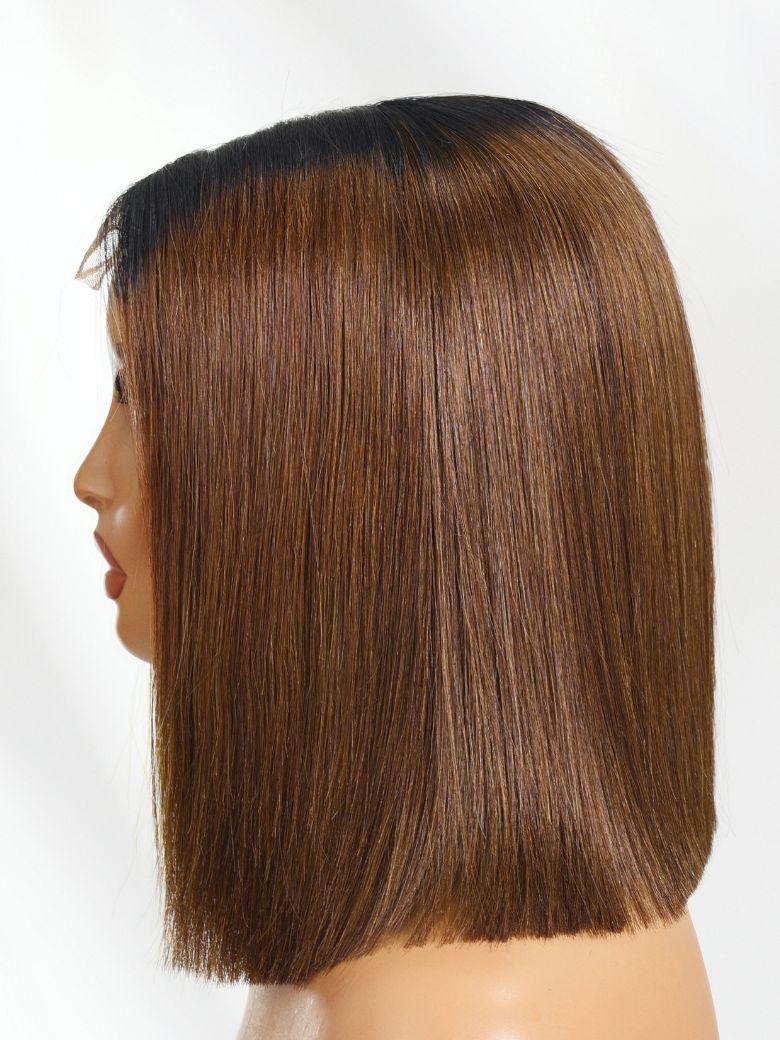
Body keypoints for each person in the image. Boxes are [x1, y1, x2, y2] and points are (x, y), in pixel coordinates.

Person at [73, 95, 720, 1038]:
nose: (92, 476)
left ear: (341, 467)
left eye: (142, 395)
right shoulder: (404, 956)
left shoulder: (438, 1016)